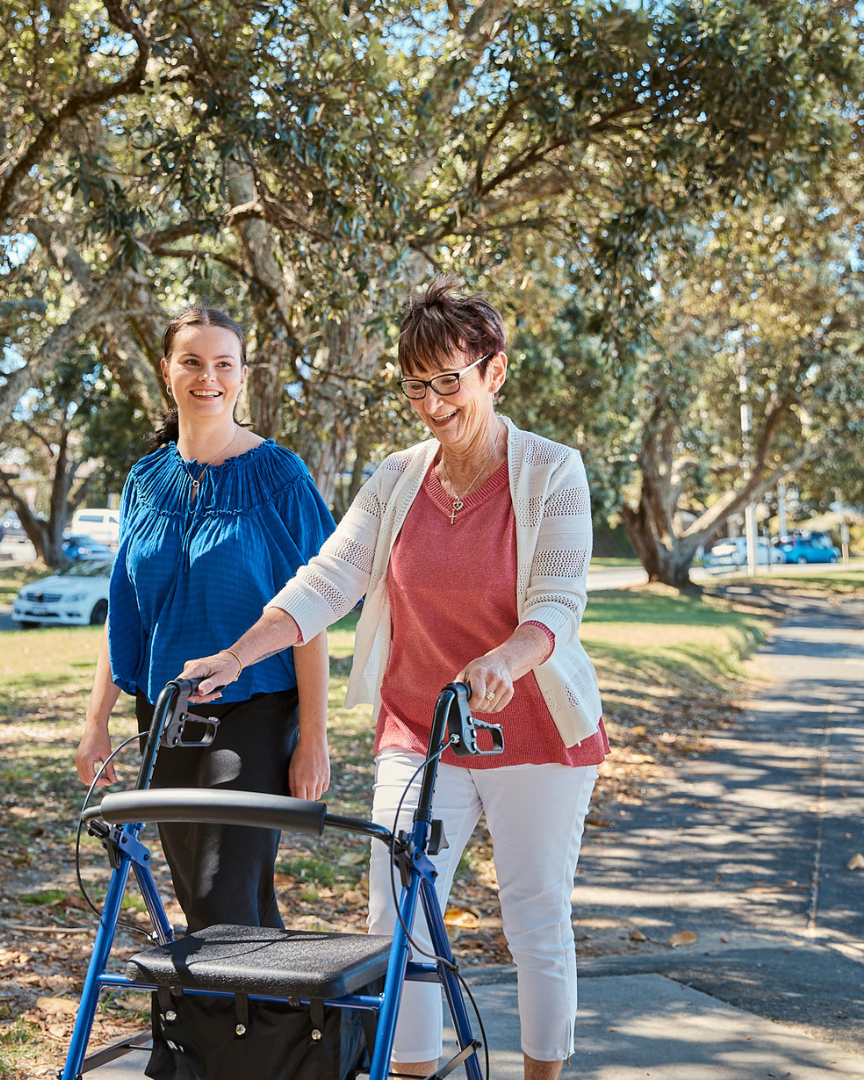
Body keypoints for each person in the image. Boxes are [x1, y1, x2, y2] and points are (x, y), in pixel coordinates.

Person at [180, 277, 609, 1080]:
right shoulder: (398, 478)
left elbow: (557, 601)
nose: (435, 402)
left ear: (494, 372)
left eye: (451, 380)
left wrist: (503, 662)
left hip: (535, 732)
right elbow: (325, 579)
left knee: (535, 918)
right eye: (418, 385)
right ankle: (409, 1071)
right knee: (395, 914)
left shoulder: (552, 472)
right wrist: (239, 653)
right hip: (419, 726)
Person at [74, 306, 335, 933]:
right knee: (208, 903)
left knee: (223, 894)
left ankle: (242, 1026)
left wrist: (315, 740)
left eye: (223, 363)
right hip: (165, 716)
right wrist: (95, 724)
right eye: (192, 361)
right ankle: (268, 1027)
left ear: (242, 376)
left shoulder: (281, 477)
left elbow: (314, 613)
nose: (207, 377)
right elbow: (128, 614)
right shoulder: (145, 480)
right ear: (168, 371)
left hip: (256, 711)